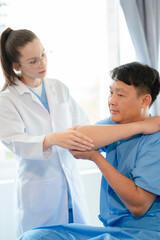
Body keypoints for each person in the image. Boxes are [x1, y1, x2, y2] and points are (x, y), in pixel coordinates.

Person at [19, 62, 160, 240]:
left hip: (146, 233)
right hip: (113, 231)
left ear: (145, 100)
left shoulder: (156, 139)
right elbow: (77, 138)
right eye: (111, 92)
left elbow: (138, 206)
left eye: (121, 94)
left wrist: (96, 157)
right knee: (36, 236)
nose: (112, 101)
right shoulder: (115, 125)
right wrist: (140, 126)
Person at [0, 27, 95, 238]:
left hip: (70, 185)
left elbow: (83, 124)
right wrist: (52, 139)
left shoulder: (58, 87)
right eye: (33, 61)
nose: (42, 63)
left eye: (43, 54)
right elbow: (14, 141)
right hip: (39, 193)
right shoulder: (8, 99)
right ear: (16, 66)